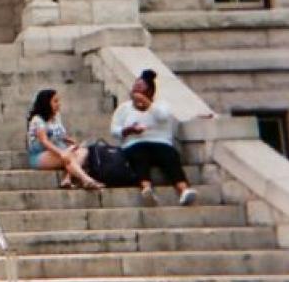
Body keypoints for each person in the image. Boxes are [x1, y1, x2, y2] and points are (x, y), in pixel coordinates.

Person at [111, 69, 197, 206]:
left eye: (141, 88)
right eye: (135, 88)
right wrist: (128, 130)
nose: (137, 92)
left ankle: (183, 189)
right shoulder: (124, 108)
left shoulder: (161, 105)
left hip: (160, 143)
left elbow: (162, 116)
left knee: (169, 156)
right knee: (139, 155)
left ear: (150, 91)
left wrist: (147, 103)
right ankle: (146, 188)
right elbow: (114, 130)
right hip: (134, 143)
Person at [26, 88, 103, 191]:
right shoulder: (38, 120)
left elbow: (60, 135)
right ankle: (87, 180)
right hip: (41, 154)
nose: (58, 104)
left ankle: (67, 178)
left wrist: (71, 142)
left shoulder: (56, 117)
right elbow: (44, 141)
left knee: (83, 151)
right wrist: (61, 152)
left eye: (58, 101)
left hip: (59, 148)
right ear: (46, 103)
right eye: (55, 101)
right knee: (69, 156)